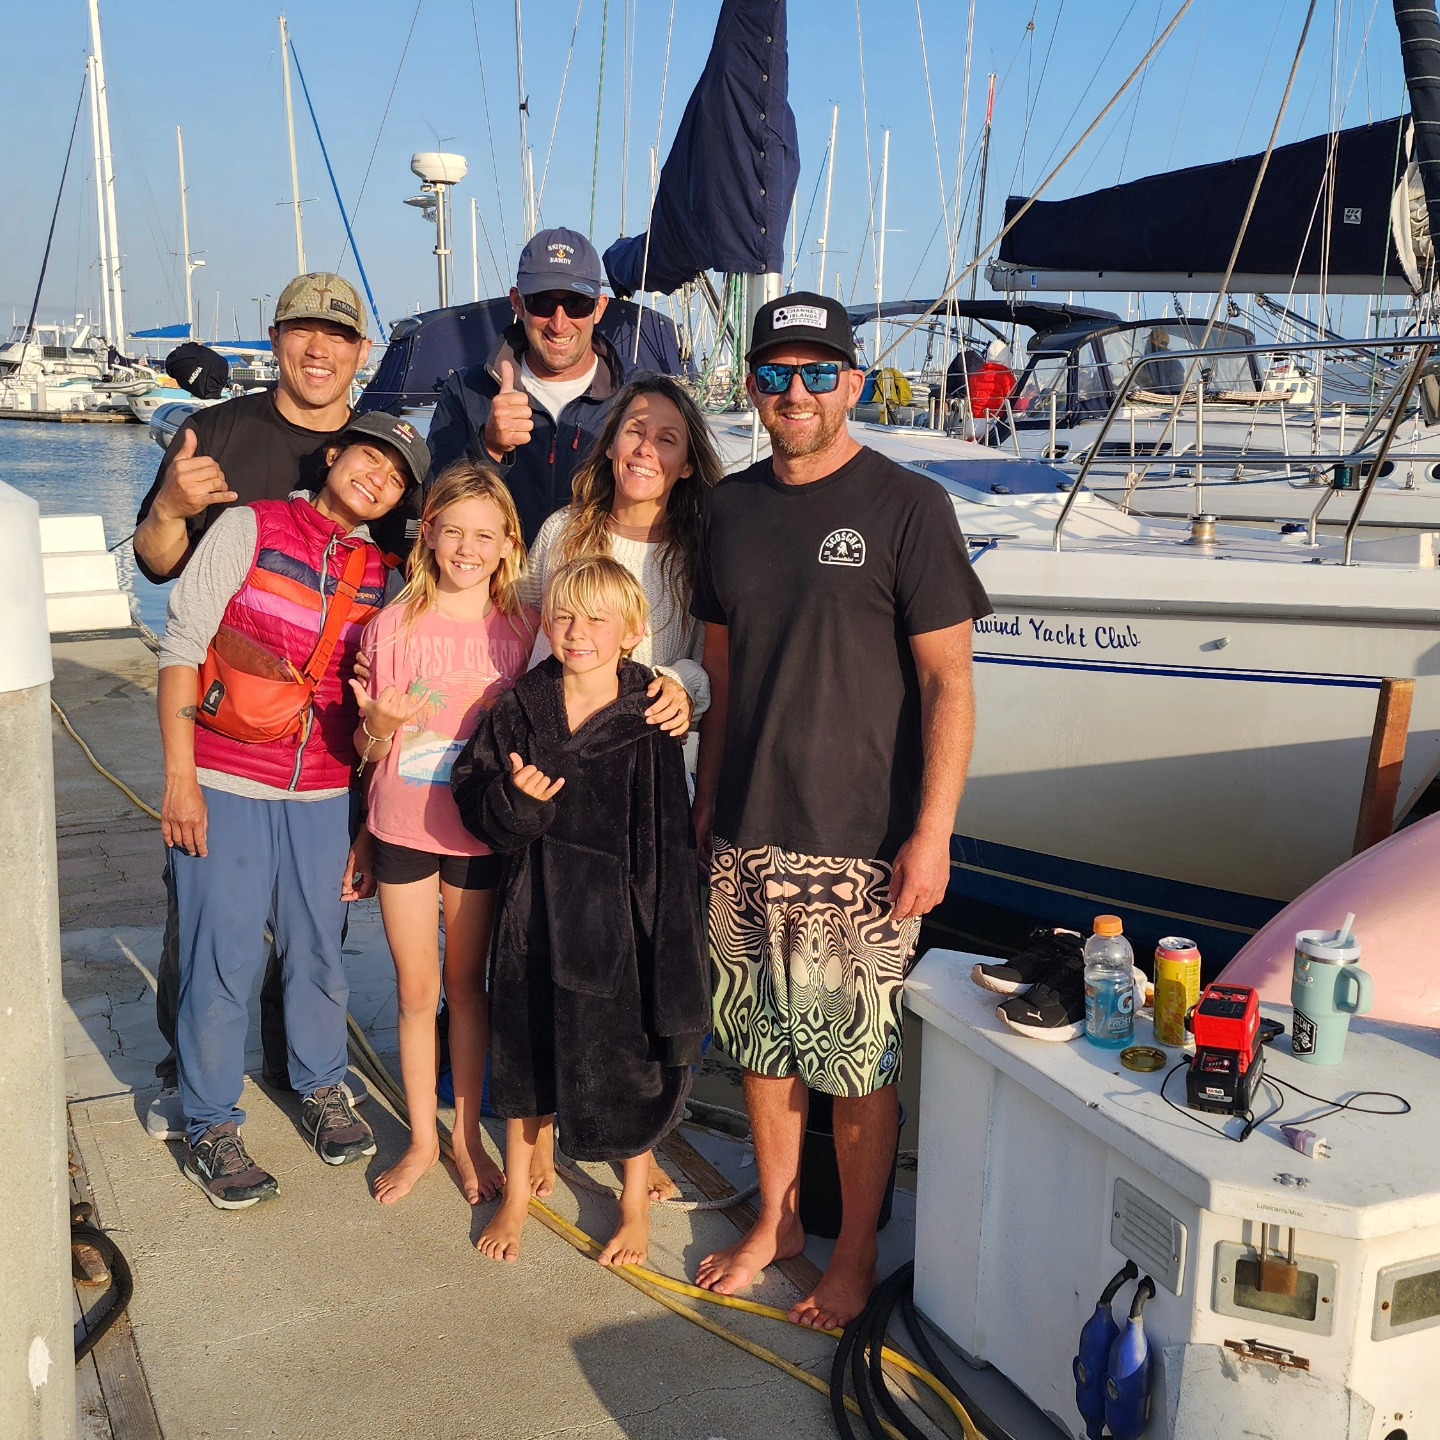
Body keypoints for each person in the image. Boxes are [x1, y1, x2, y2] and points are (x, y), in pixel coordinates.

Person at [691, 292, 992, 1328]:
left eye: (820, 373)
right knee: (762, 1047)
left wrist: (933, 833)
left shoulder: (909, 506)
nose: (798, 393)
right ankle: (776, 1220)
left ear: (853, 385)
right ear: (753, 391)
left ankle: (854, 1249)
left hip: (863, 845)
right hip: (746, 835)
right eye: (777, 375)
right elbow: (722, 679)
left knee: (856, 1065)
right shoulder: (726, 512)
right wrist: (705, 808)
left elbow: (950, 684)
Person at [133, 273, 392, 1141]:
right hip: (226, 751)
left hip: (320, 766)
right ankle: (201, 1100)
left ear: (362, 353)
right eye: (301, 332)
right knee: (213, 938)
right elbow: (162, 571)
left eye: (338, 336)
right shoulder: (226, 434)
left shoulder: (375, 465)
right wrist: (172, 503)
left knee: (319, 943)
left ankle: (308, 1076)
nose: (319, 350)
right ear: (275, 337)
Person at [158, 412, 429, 1209]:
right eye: (370, 456)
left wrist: (365, 826)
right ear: (336, 454)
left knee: (318, 949)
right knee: (223, 953)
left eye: (397, 476)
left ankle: (320, 1086)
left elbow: (387, 705)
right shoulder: (251, 526)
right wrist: (181, 779)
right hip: (227, 777)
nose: (378, 476)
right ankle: (209, 1120)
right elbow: (181, 644)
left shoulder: (387, 575)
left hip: (323, 790)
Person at [450, 556, 709, 1267]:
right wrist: (518, 806)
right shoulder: (516, 711)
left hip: (619, 924)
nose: (577, 630)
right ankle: (516, 1191)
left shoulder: (649, 719)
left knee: (629, 1063)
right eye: (564, 615)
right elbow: (475, 799)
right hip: (530, 916)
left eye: (597, 618)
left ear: (631, 630)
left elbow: (666, 839)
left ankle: (632, 1201)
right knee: (525, 1049)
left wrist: (667, 941)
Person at [351, 463, 536, 1208]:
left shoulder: (522, 630)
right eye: (451, 530)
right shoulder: (390, 625)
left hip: (479, 836)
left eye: (483, 535)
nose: (466, 547)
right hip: (400, 826)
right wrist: (379, 728)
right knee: (415, 989)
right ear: (426, 534)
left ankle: (464, 1136)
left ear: (506, 545)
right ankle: (424, 1140)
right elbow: (367, 750)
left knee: (467, 988)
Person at [425, 226, 632, 545]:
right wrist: (489, 448)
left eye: (577, 303)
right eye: (543, 303)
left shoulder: (638, 399)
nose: (559, 323)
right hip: (497, 589)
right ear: (518, 304)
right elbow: (433, 509)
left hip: (591, 591)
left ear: (600, 308)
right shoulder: (466, 391)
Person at [967, 339, 1017, 418]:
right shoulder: (1006, 377)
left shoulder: (975, 376)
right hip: (997, 422)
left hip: (975, 422)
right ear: (1006, 358)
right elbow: (1014, 403)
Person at [1136, 326, 1184, 395]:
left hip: (1166, 402)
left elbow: (1177, 390)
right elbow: (1127, 385)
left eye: (1163, 343)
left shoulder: (1174, 365)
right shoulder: (1143, 364)